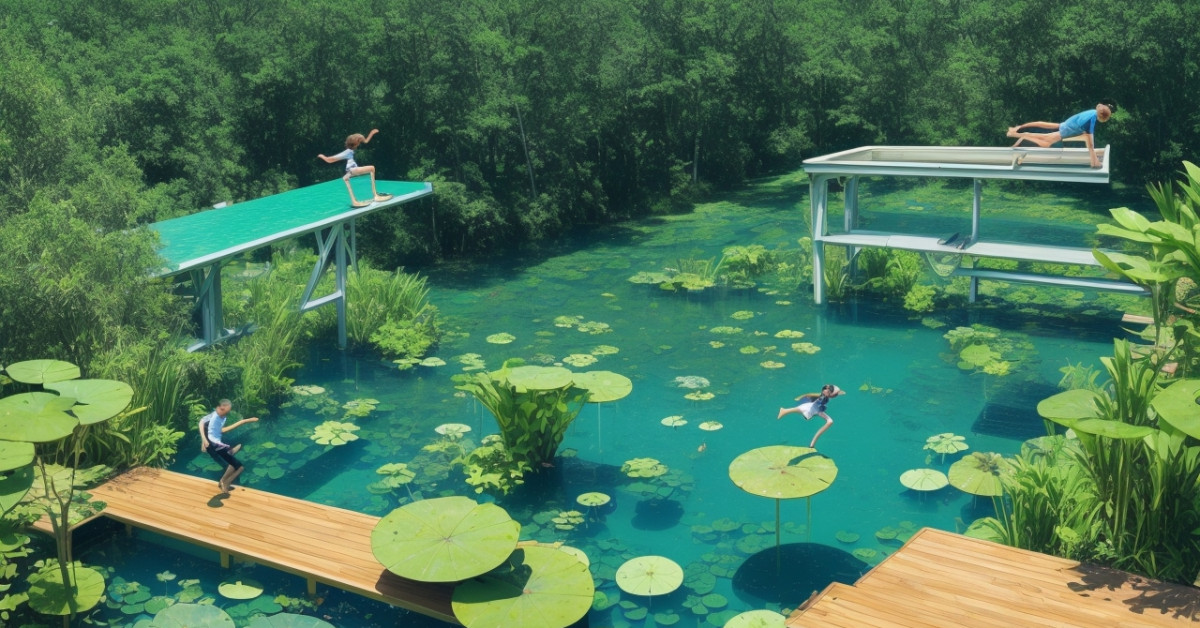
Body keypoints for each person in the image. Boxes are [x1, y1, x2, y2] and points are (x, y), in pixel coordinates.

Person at [1006, 103, 1115, 168]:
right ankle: (1020, 135)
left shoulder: (1093, 112)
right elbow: (1091, 145)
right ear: (1103, 118)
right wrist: (1095, 163)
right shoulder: (1091, 121)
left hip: (1067, 124)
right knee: (1045, 143)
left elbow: (1088, 138)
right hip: (1066, 130)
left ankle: (1019, 132)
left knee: (1042, 127)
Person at [318, 129, 393, 208]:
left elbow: (366, 141)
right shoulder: (348, 151)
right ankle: (375, 196)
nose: (359, 144)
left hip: (350, 171)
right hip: (353, 169)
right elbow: (331, 160)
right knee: (372, 168)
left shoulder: (350, 151)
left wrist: (371, 133)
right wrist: (323, 157)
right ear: (356, 143)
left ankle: (354, 201)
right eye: (358, 142)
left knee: (345, 178)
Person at [199, 399, 258, 493]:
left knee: (233, 452)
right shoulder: (214, 416)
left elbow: (221, 430)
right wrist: (204, 440)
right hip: (213, 446)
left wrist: (245, 421)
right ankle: (225, 482)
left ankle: (231, 453)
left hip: (214, 444)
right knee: (238, 466)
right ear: (219, 407)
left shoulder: (218, 417)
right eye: (224, 410)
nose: (226, 413)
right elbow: (202, 423)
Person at [777, 384, 845, 448]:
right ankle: (784, 411)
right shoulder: (822, 396)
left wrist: (838, 392)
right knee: (803, 409)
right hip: (813, 408)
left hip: (817, 410)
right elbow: (811, 394)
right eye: (834, 394)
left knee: (829, 421)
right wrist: (802, 396)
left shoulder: (826, 396)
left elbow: (834, 392)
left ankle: (812, 443)